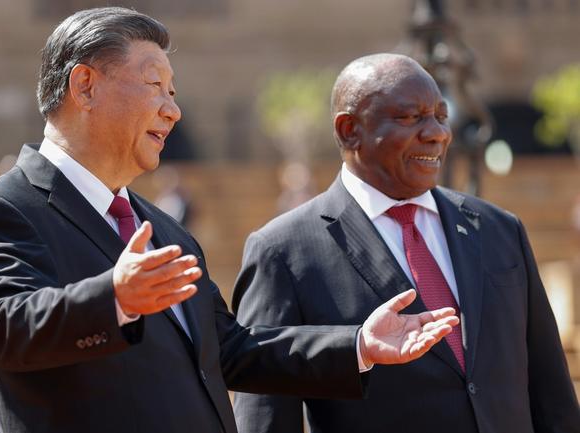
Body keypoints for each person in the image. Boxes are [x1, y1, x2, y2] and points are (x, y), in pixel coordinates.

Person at [0, 10, 460, 433]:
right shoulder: (6, 210)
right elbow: (5, 329)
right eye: (155, 85)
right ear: (84, 86)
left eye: (173, 93)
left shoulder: (164, 231)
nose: (172, 111)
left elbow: (232, 350)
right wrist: (114, 300)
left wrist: (357, 345)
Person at [232, 53, 580, 433]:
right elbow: (263, 414)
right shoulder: (283, 251)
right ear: (350, 130)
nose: (437, 133)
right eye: (411, 118)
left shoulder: (499, 229)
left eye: (441, 117)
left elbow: (552, 396)